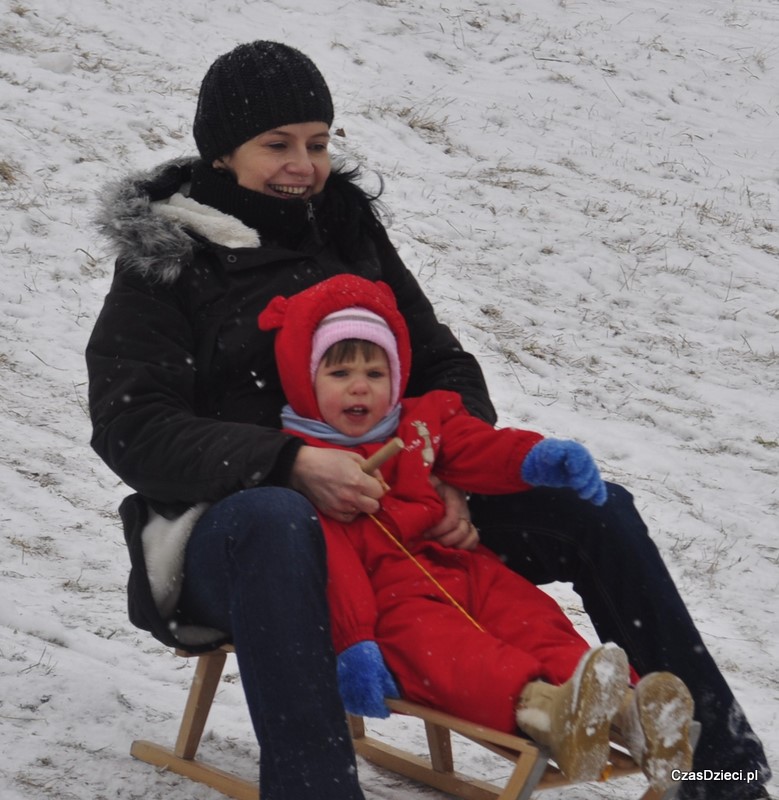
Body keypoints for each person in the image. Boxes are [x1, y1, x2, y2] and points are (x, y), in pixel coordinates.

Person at [85, 40, 772, 800]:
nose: (303, 165)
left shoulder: (343, 230)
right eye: (276, 145)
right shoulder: (170, 258)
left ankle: (722, 774)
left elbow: (443, 366)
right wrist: (287, 461)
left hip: (393, 504)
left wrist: (433, 462)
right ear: (222, 155)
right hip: (236, 533)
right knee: (282, 519)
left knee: (594, 507)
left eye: (317, 143)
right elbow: (131, 424)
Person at [257, 271, 696, 790]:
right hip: (391, 600)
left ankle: (627, 711)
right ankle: (545, 710)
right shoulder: (308, 468)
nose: (360, 386)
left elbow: (478, 448)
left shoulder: (419, 424)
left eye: (375, 373)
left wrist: (537, 458)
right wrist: (355, 644)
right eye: (340, 372)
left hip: (462, 566)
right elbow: (336, 568)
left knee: (533, 619)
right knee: (452, 653)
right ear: (305, 380)